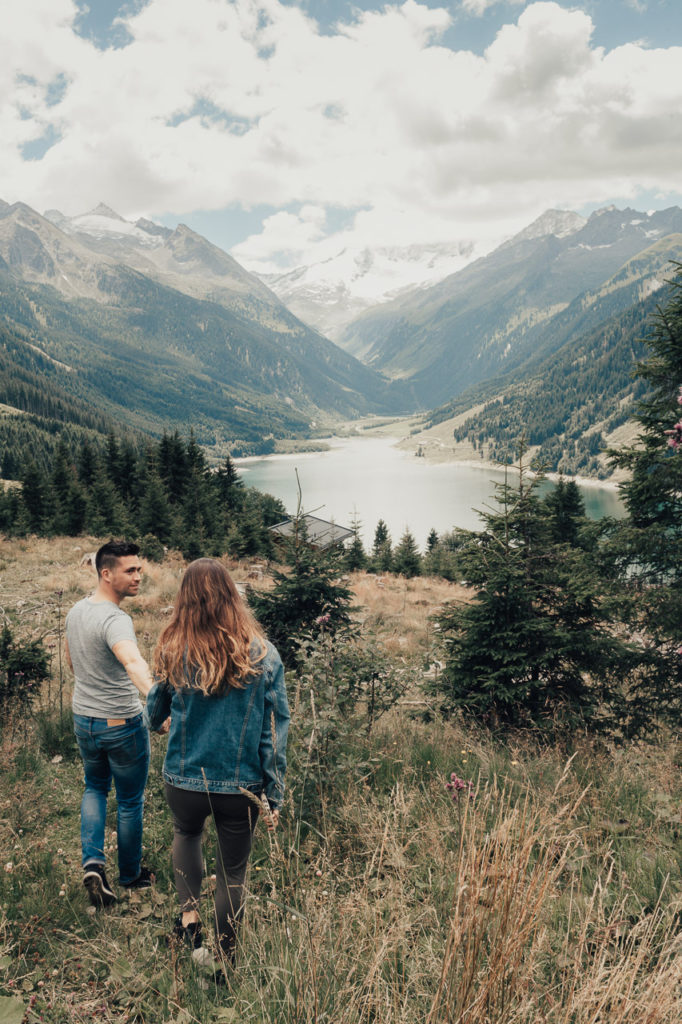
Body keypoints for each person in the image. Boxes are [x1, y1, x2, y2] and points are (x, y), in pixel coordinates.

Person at [144, 557, 290, 968]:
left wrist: (157, 723)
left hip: (184, 779)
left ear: (185, 601)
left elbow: (154, 709)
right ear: (232, 596)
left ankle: (189, 919)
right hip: (240, 786)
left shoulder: (175, 647)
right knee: (233, 874)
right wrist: (273, 792)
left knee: (186, 834)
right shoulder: (264, 654)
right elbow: (275, 731)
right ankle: (225, 959)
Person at [66, 540, 156, 907]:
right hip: (121, 723)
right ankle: (131, 875)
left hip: (83, 720)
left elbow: (73, 665)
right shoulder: (115, 620)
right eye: (130, 570)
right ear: (107, 573)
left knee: (95, 788)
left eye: (139, 568)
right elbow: (133, 663)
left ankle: (93, 863)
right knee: (130, 800)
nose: (139, 576)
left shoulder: (76, 611)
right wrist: (158, 704)